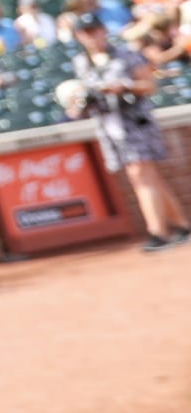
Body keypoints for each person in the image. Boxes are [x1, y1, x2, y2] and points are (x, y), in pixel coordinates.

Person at [70, 14, 190, 252]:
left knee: (140, 175)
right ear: (78, 36)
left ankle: (158, 233)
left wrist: (125, 87)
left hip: (135, 121)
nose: (92, 36)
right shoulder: (81, 62)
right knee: (147, 177)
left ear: (103, 30)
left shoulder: (126, 54)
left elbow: (150, 85)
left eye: (94, 30)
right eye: (85, 32)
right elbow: (83, 95)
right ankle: (183, 226)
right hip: (109, 126)